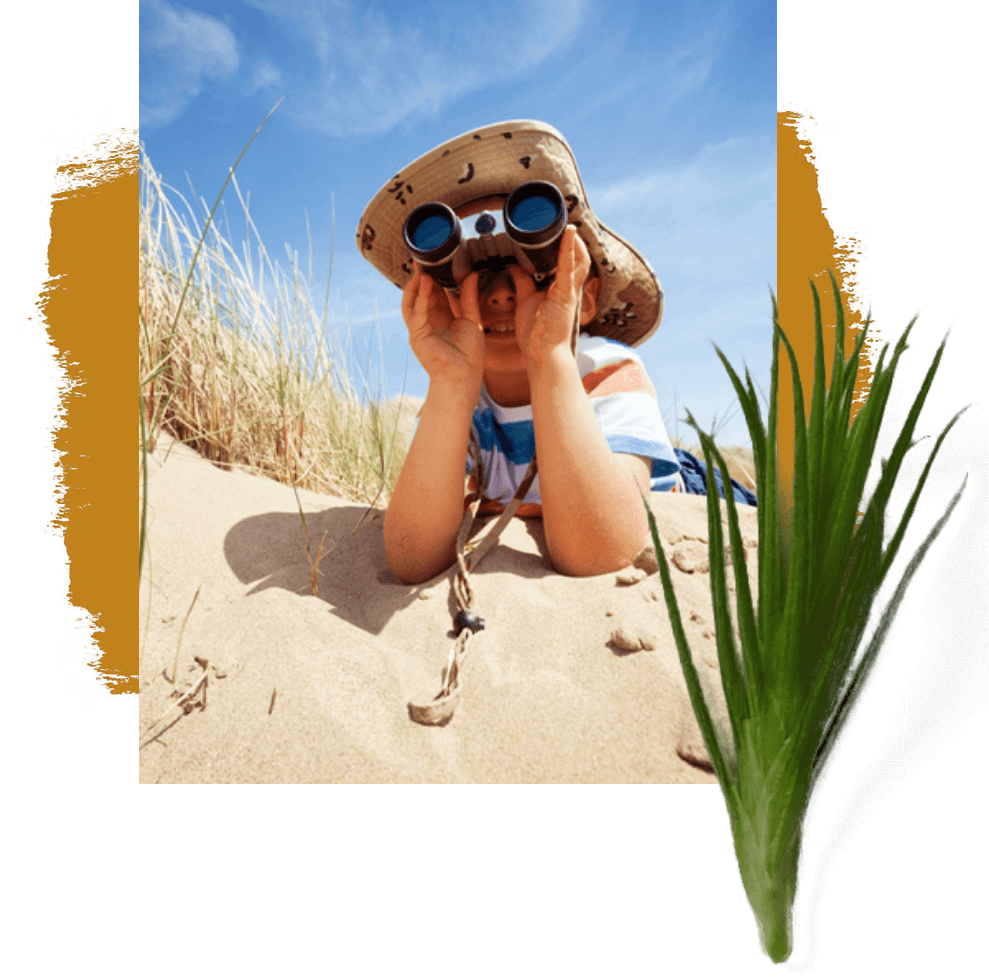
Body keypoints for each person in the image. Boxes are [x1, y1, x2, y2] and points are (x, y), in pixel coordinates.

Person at [356, 120, 755, 585]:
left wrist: (549, 358)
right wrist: (450, 381)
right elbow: (412, 559)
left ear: (583, 298)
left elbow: (598, 554)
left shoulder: (604, 369)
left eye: (532, 269)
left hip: (680, 487)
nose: (503, 295)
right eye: (474, 275)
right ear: (436, 296)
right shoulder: (459, 403)